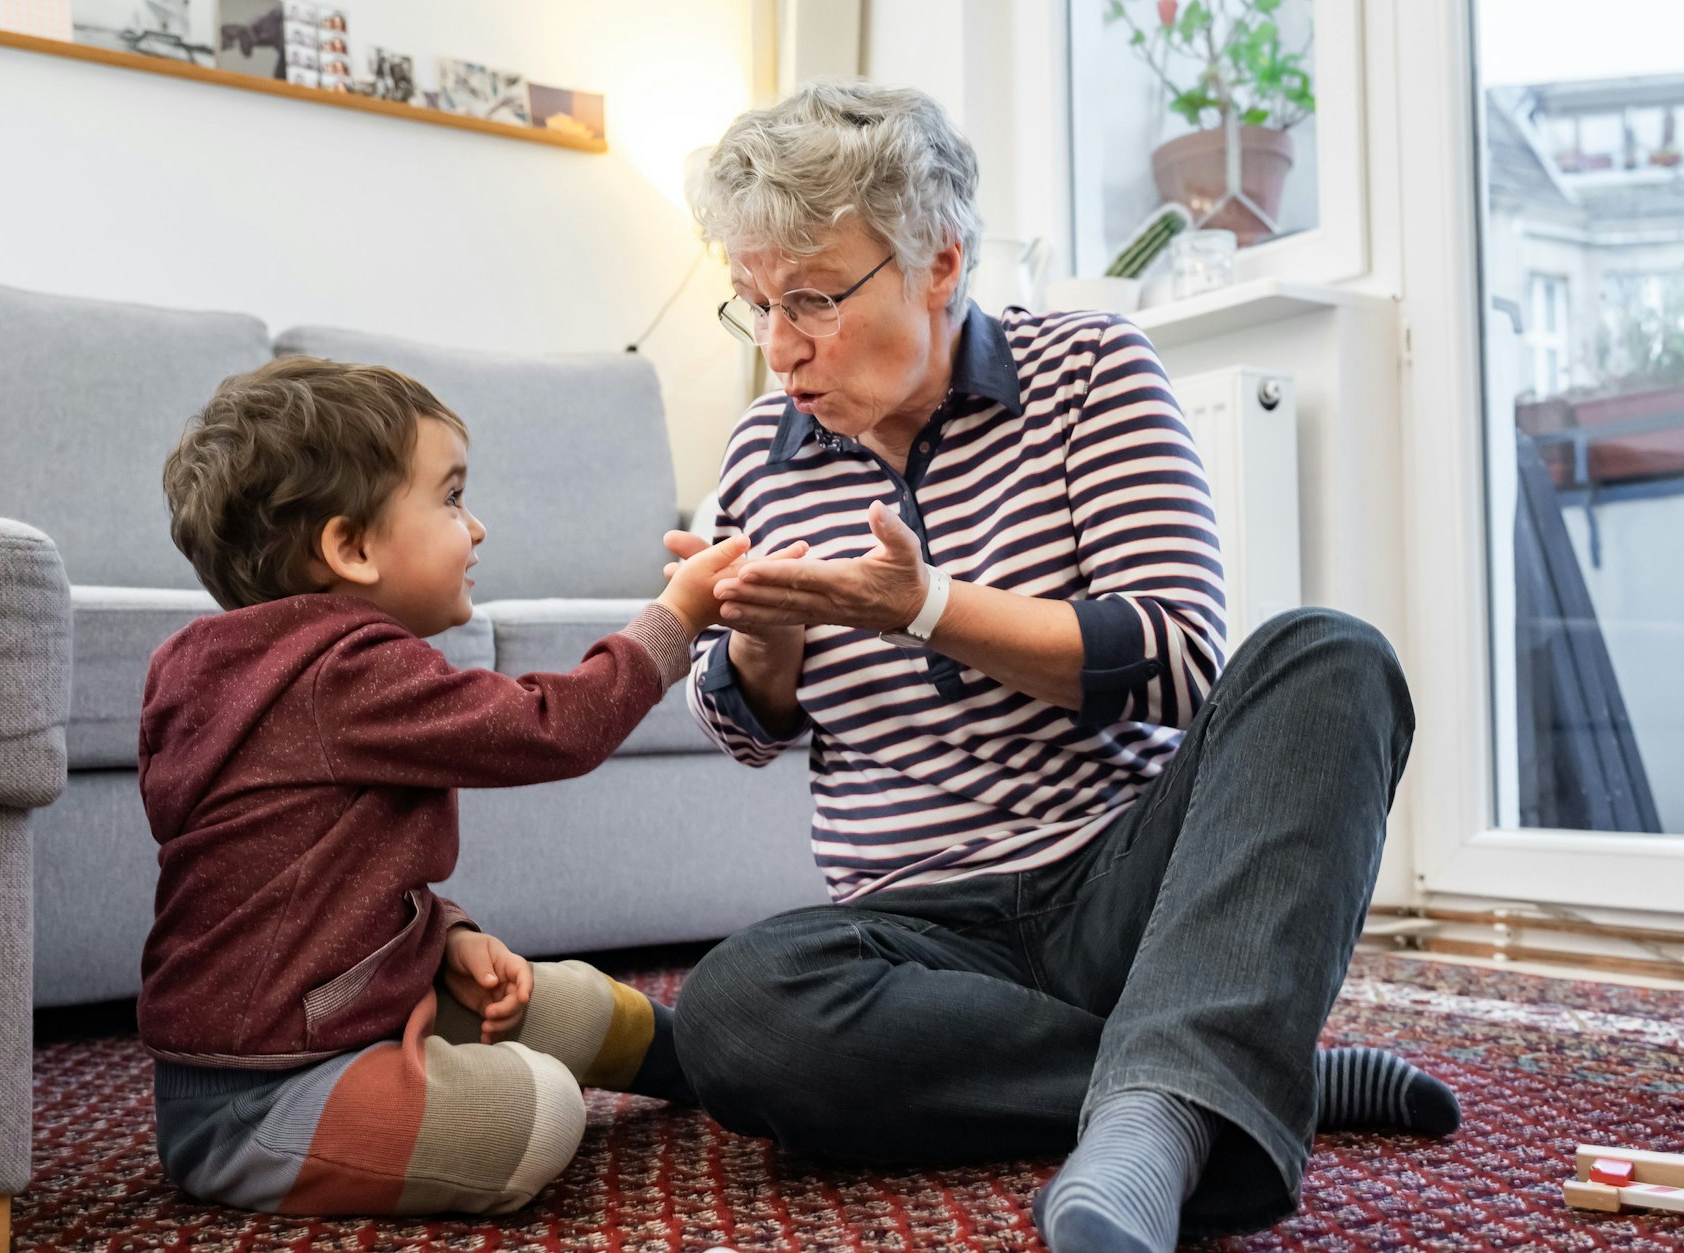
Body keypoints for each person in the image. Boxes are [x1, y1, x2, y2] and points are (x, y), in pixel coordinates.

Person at [663, 80, 1460, 1252]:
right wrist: (762, 638)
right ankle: (1224, 1071)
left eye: (813, 299)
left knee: (1327, 657)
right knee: (731, 1013)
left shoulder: (1090, 371)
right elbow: (742, 730)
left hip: (1128, 889)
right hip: (918, 941)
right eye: (754, 306)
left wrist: (924, 608)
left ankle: (1166, 1091)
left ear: (939, 263)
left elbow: (1179, 660)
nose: (781, 349)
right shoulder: (759, 451)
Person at [136, 356, 754, 1217]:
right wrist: (677, 617)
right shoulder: (342, 669)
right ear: (350, 548)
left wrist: (448, 932)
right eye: (452, 498)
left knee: (565, 999)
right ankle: (708, 1073)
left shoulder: (233, 667)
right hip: (260, 1100)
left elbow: (310, 868)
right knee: (538, 1111)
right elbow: (555, 727)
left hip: (346, 1024)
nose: (479, 527)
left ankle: (745, 1069)